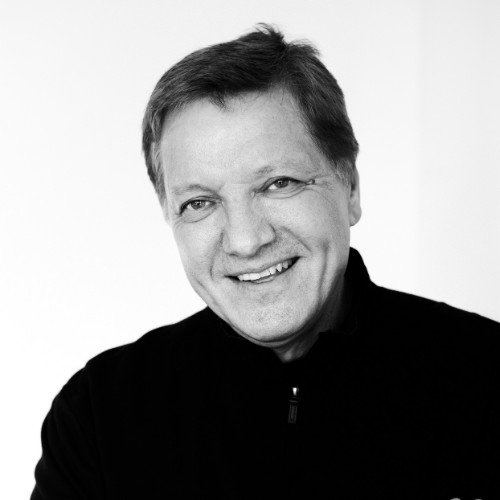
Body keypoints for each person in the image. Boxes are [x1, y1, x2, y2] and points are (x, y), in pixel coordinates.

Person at [32, 25, 500, 500]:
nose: (246, 241)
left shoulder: (489, 379)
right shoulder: (99, 416)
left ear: (351, 188)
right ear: (169, 215)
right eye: (199, 203)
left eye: (278, 183)